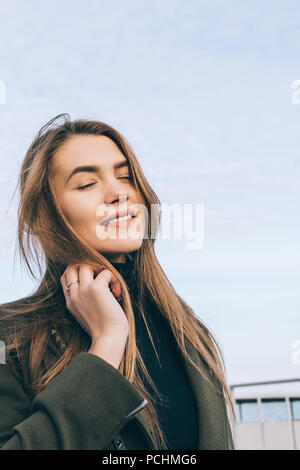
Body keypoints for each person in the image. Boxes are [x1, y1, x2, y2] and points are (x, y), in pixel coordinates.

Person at [0, 114, 236, 450]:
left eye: (126, 177)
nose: (118, 193)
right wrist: (106, 345)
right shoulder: (9, 339)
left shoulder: (190, 334)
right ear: (44, 215)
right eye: (86, 184)